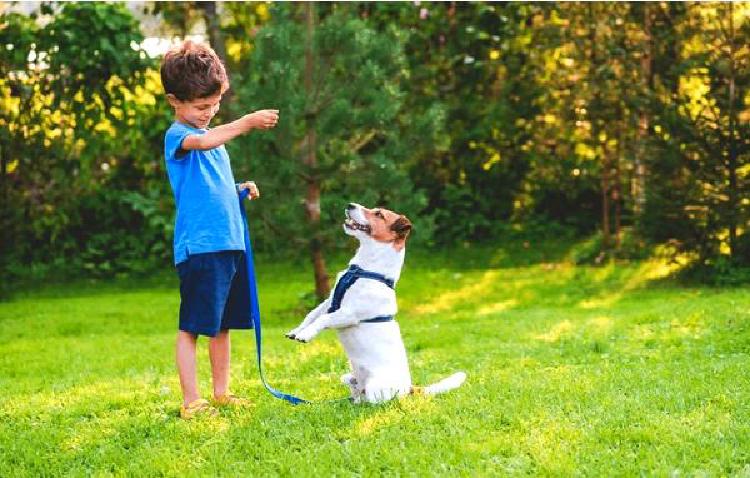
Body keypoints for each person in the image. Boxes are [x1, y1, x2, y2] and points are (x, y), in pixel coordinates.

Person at [160, 40, 279, 419]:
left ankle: (221, 393)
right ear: (174, 101)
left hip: (229, 242)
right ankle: (191, 401)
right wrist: (244, 123)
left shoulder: (214, 143)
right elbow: (204, 140)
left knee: (222, 325)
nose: (209, 113)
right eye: (201, 107)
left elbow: (209, 186)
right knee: (192, 327)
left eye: (215, 105)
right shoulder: (179, 136)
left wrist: (237, 190)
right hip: (201, 247)